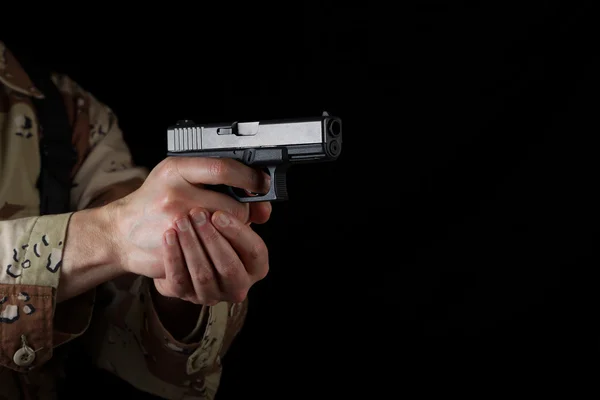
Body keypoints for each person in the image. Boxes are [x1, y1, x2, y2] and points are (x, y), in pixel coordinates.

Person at [0, 39, 272, 399]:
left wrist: (178, 282)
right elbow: (126, 227)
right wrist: (111, 234)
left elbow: (134, 351)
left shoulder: (66, 112)